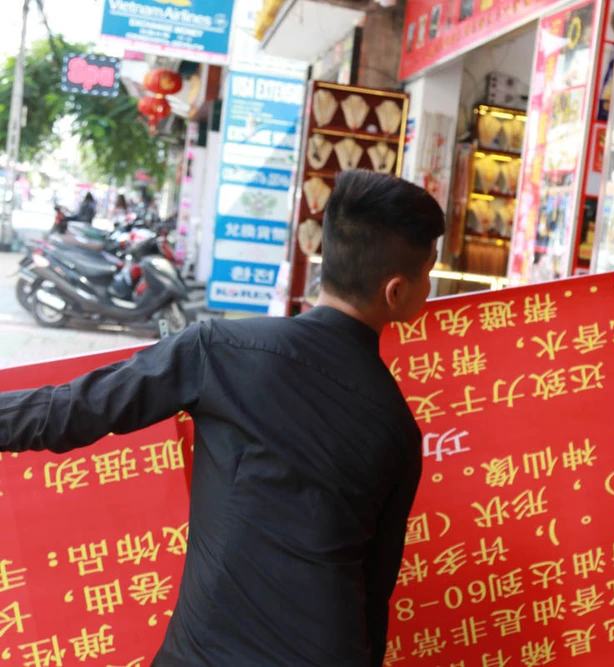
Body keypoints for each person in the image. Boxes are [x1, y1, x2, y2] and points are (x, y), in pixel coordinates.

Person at [0, 170, 444, 666]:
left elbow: (72, 409)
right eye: (429, 272)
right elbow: (374, 594)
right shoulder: (397, 426)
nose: (429, 286)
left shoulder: (223, 350)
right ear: (395, 291)